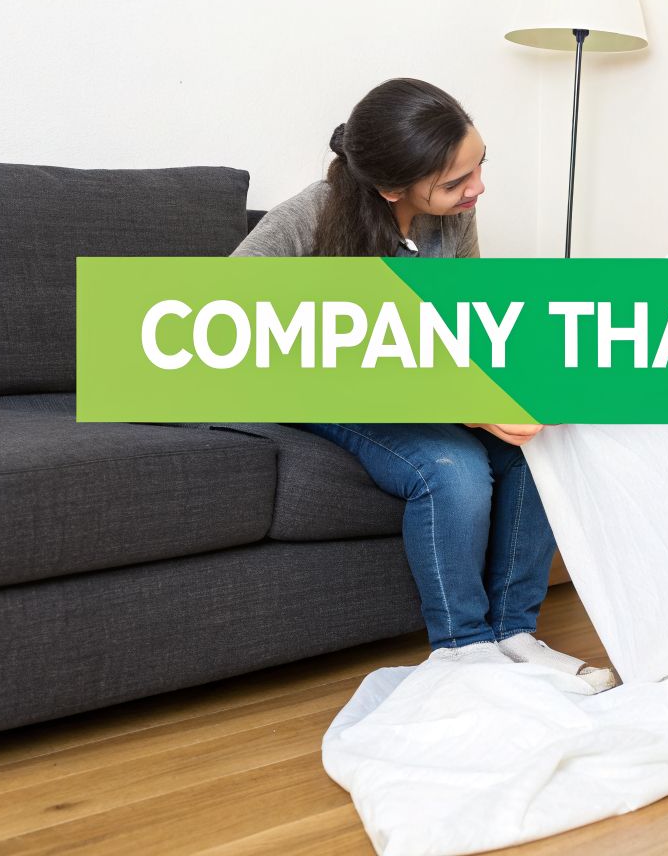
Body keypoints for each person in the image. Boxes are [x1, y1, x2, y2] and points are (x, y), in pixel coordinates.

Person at [233, 77, 615, 689]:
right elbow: (222, 321)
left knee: (536, 443)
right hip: (322, 390)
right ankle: (463, 651)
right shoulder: (309, 217)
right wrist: (466, 409)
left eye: (479, 166)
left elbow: (462, 322)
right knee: (452, 466)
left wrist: (518, 387)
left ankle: (514, 634)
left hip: (417, 382)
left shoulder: (453, 221)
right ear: (390, 187)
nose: (477, 189)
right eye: (455, 182)